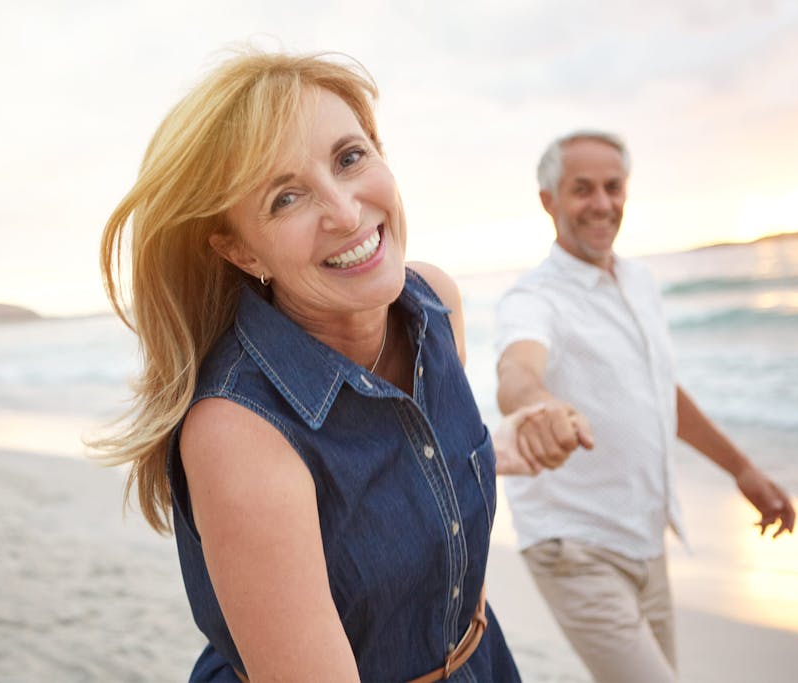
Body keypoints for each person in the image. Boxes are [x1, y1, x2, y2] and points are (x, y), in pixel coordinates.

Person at [96, 51, 523, 682]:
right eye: (286, 198)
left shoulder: (437, 305)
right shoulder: (238, 431)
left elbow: (411, 475)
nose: (345, 213)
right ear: (241, 251)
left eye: (349, 157)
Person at [493, 130, 796, 683]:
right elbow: (517, 372)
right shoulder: (533, 299)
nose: (602, 203)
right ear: (548, 200)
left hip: (644, 536)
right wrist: (540, 409)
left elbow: (660, 391)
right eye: (582, 189)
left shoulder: (639, 281)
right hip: (573, 546)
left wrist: (742, 468)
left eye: (613, 187)